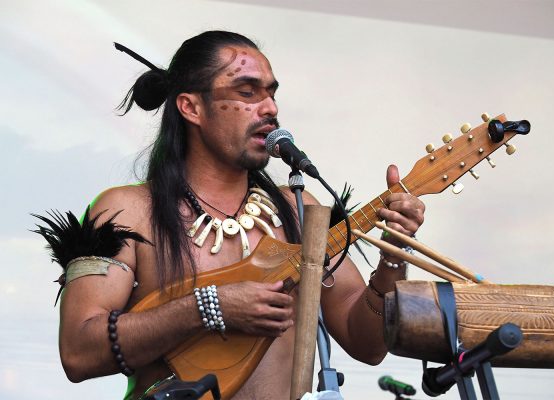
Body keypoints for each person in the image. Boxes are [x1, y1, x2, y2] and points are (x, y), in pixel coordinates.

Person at [57, 31, 425, 399]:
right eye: (247, 92)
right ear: (191, 107)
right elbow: (78, 352)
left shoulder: (301, 211)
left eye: (271, 93)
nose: (269, 109)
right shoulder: (126, 211)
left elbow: (369, 347)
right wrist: (209, 308)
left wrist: (393, 257)